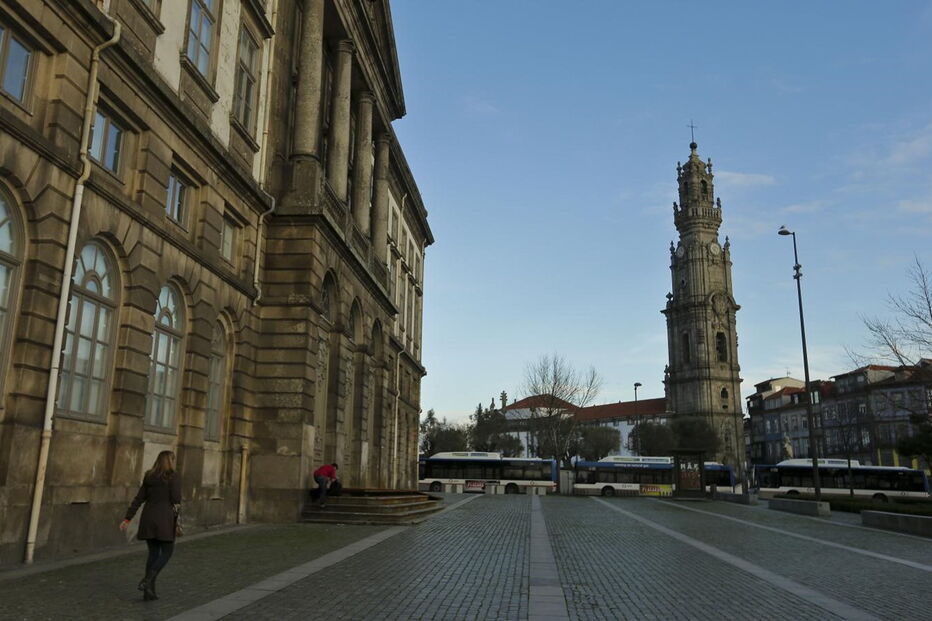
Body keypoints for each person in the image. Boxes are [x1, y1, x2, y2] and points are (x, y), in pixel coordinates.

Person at [120, 450, 182, 601]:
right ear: (170, 461)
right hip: (164, 520)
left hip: (148, 518)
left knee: (153, 554)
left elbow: (139, 498)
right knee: (167, 552)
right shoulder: (173, 476)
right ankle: (147, 580)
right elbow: (176, 498)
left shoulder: (149, 476)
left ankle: (149, 592)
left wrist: (127, 518)